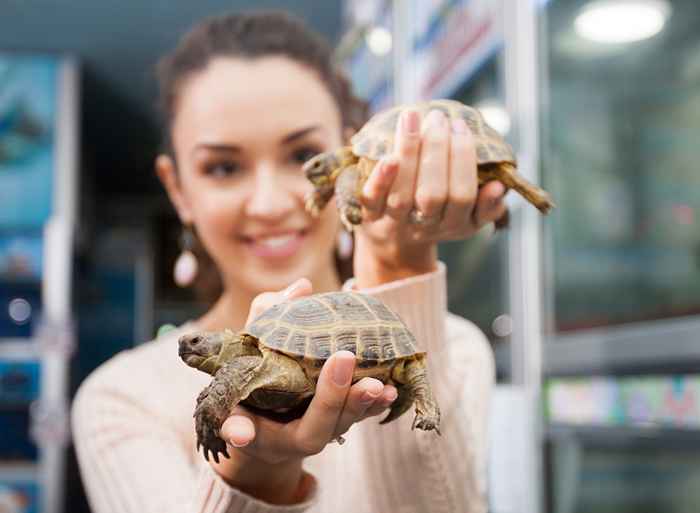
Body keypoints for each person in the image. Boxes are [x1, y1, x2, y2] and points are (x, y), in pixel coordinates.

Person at [71, 10, 505, 513]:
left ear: (350, 159)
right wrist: (255, 473)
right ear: (178, 189)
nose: (271, 203)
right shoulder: (122, 398)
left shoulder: (455, 349)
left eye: (303, 155)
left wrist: (398, 269)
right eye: (224, 166)